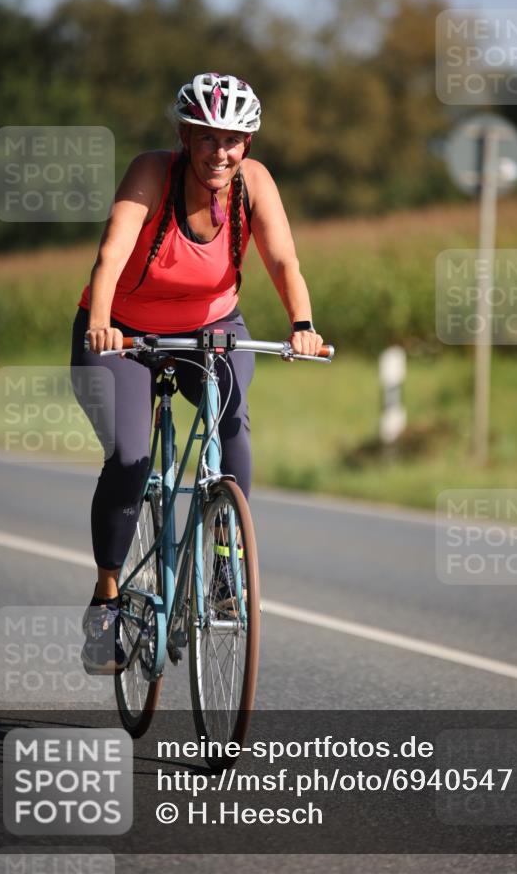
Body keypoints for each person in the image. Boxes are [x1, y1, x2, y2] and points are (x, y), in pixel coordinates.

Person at [71, 72, 323, 673]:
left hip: (211, 330)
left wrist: (303, 324)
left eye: (233, 140)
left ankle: (225, 566)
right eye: (208, 137)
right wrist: (101, 322)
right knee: (130, 457)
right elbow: (111, 252)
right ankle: (107, 600)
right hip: (123, 333)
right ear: (185, 138)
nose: (220, 152)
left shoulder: (253, 184)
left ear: (247, 144)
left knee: (232, 420)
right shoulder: (152, 173)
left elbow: (283, 259)